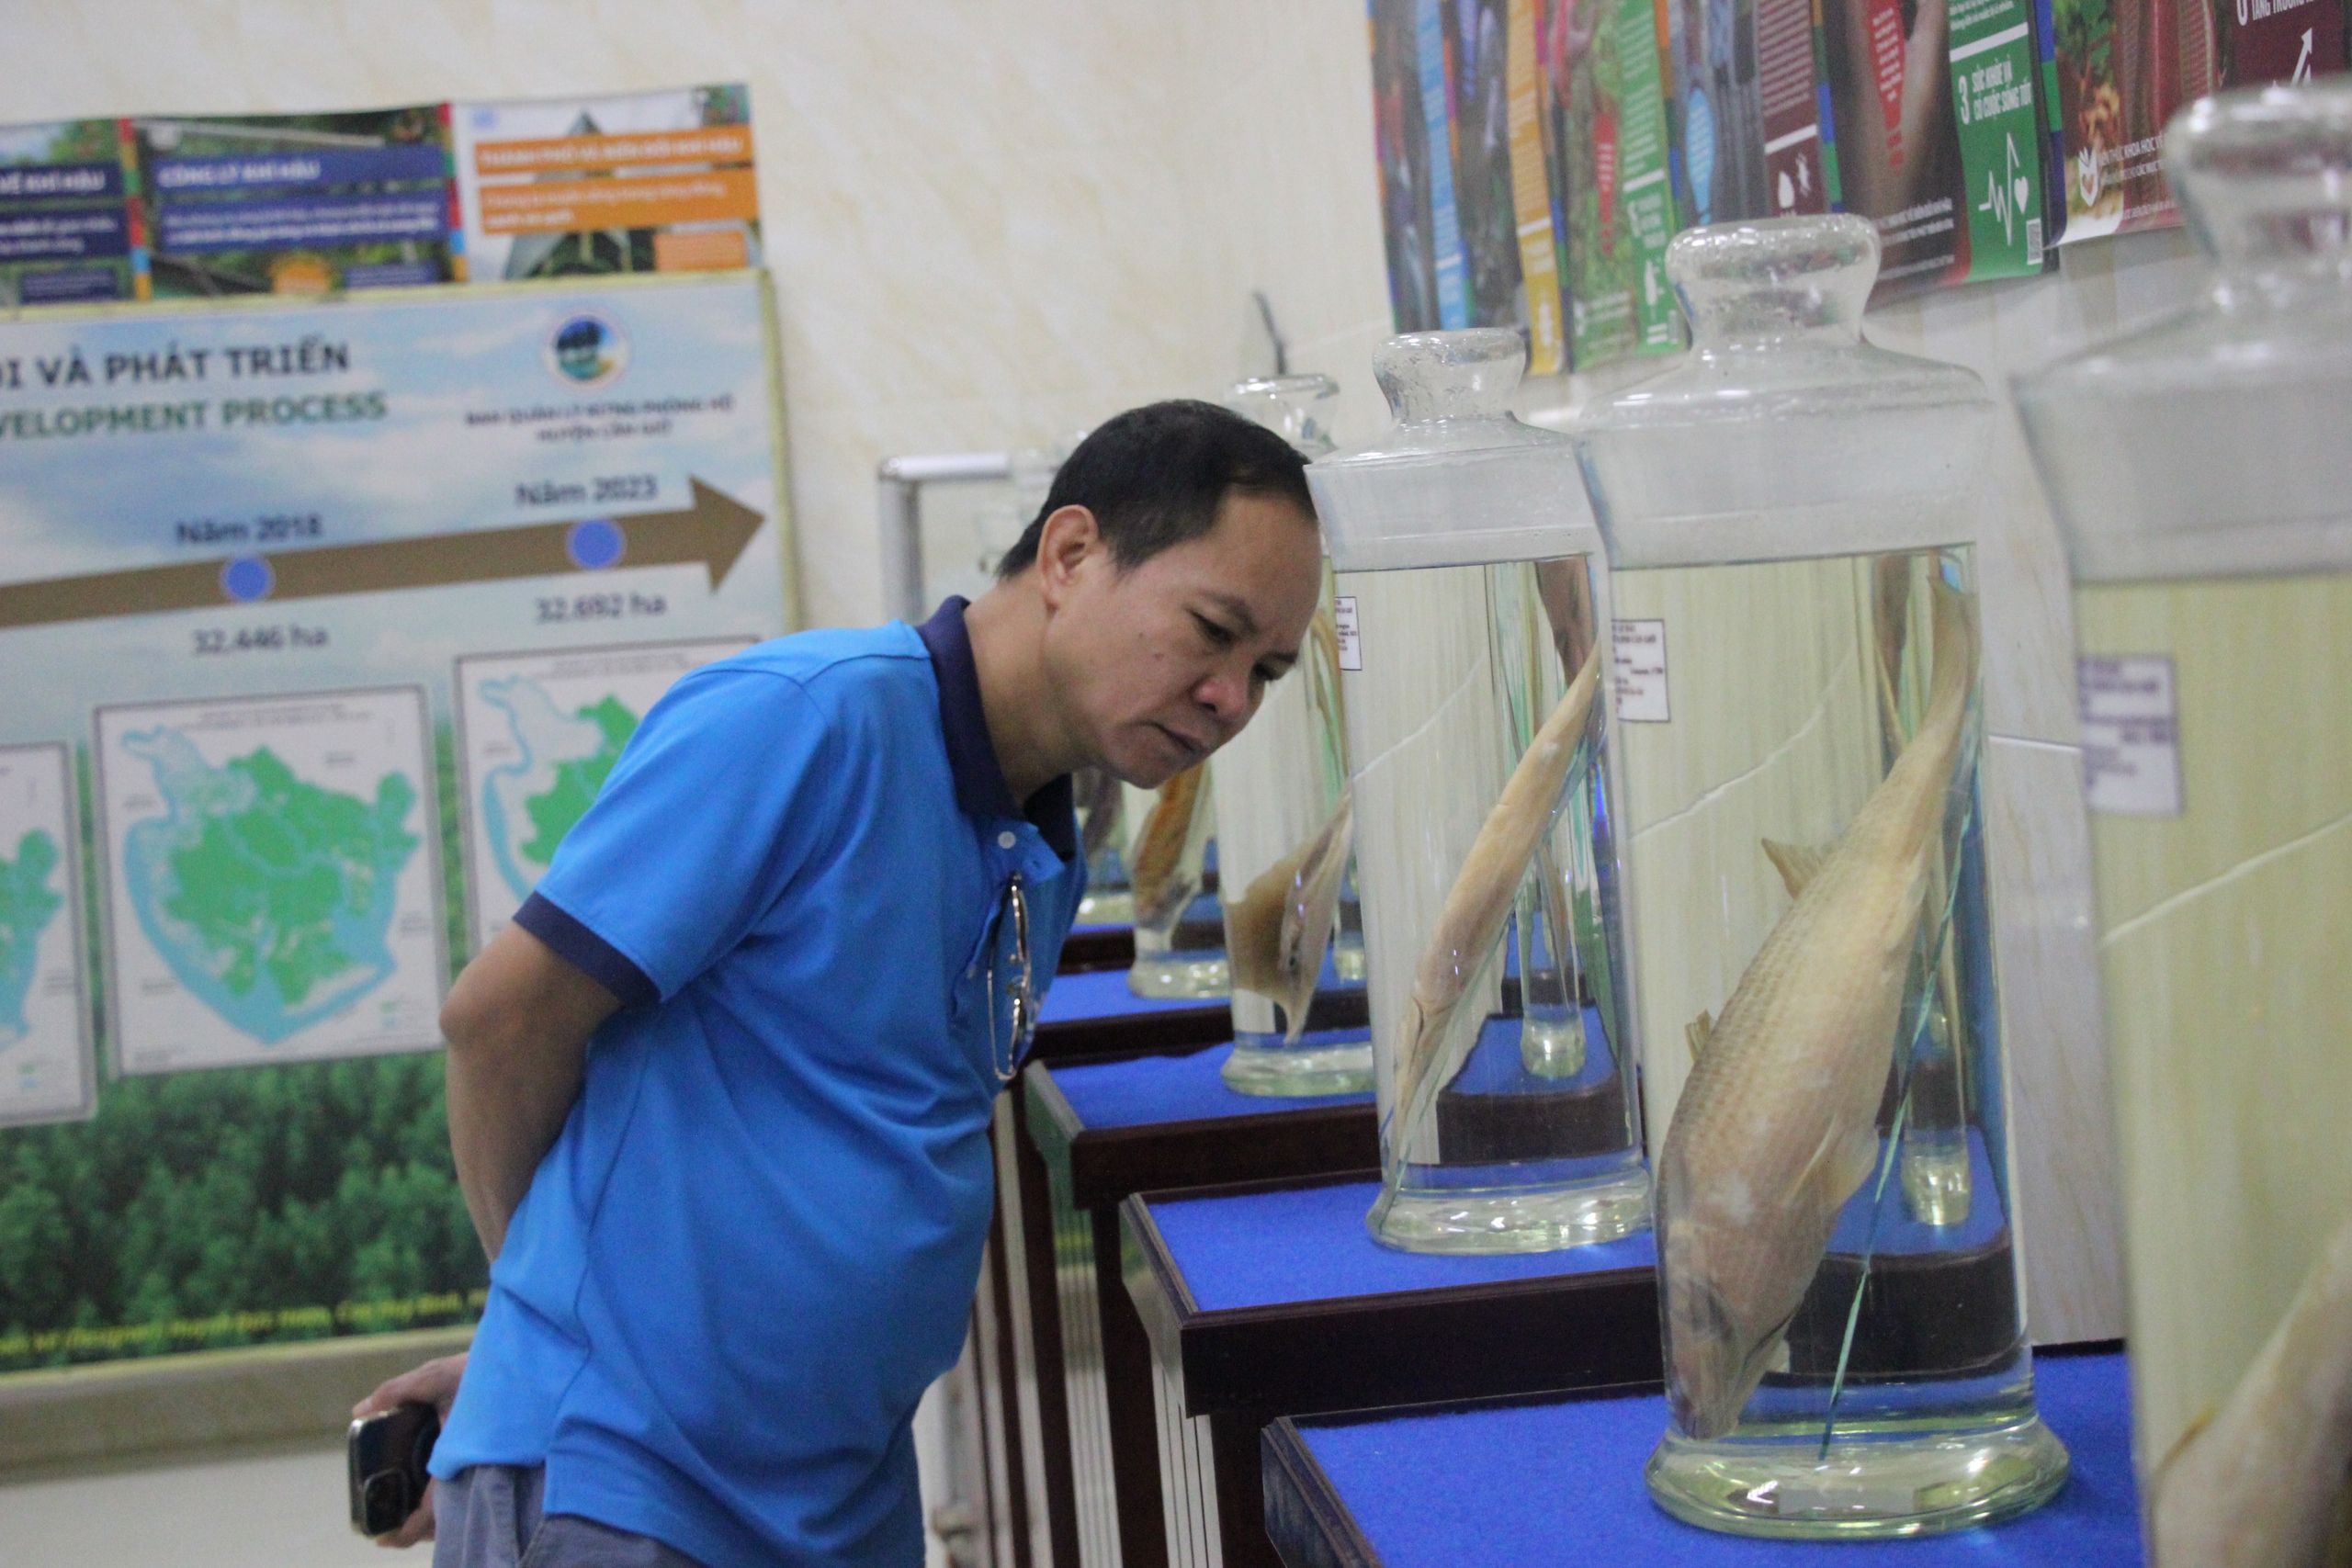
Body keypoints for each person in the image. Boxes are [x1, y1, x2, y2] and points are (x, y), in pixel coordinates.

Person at [353, 400, 1326, 1568]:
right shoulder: (804, 722)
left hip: (840, 1488)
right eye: (1211, 632)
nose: (1231, 698)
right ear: (1071, 554)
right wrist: (540, 1330)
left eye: (1264, 669)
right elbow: (499, 1024)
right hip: (634, 1486)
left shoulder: (1046, 825)